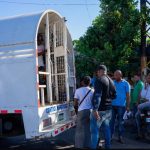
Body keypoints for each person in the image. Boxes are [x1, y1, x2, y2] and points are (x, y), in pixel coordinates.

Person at [91, 65, 115, 149]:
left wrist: (95, 109)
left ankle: (94, 147)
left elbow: (98, 96)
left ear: (99, 71)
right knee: (107, 129)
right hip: (108, 109)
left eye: (97, 72)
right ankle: (108, 147)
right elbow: (114, 95)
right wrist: (107, 99)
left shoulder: (99, 80)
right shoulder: (111, 81)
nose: (97, 74)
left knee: (94, 131)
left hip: (100, 110)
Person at [110, 70, 130, 144]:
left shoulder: (126, 83)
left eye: (116, 75)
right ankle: (110, 136)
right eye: (114, 75)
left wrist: (128, 106)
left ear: (120, 75)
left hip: (121, 106)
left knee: (120, 122)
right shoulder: (113, 82)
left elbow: (128, 96)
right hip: (112, 105)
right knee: (111, 122)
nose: (114, 76)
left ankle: (120, 137)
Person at [74, 76, 94, 149]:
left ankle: (79, 146)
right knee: (88, 128)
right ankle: (88, 144)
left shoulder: (78, 90)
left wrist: (76, 111)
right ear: (89, 82)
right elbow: (94, 102)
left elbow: (75, 103)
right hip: (90, 111)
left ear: (82, 82)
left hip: (81, 111)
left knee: (79, 129)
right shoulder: (92, 91)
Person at [135, 74, 150, 139]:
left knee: (139, 107)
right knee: (137, 115)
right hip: (144, 106)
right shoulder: (144, 86)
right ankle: (140, 133)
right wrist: (138, 101)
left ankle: (147, 133)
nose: (148, 79)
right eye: (147, 78)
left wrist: (145, 100)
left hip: (148, 104)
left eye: (149, 78)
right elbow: (139, 95)